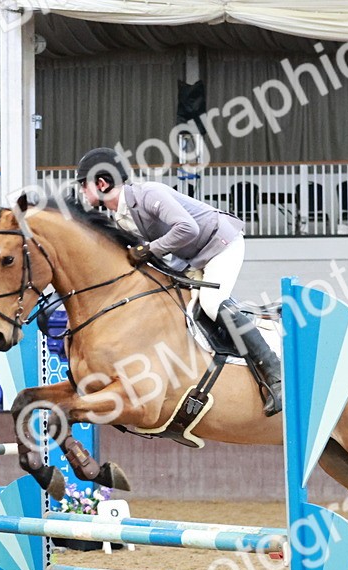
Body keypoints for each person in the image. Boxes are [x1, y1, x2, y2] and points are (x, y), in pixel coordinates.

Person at [75, 147, 282, 416]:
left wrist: (149, 249)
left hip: (220, 243)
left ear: (102, 183)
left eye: (84, 184)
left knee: (211, 303)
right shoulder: (120, 217)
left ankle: (274, 374)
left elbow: (187, 228)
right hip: (191, 259)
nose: (82, 191)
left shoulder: (149, 194)